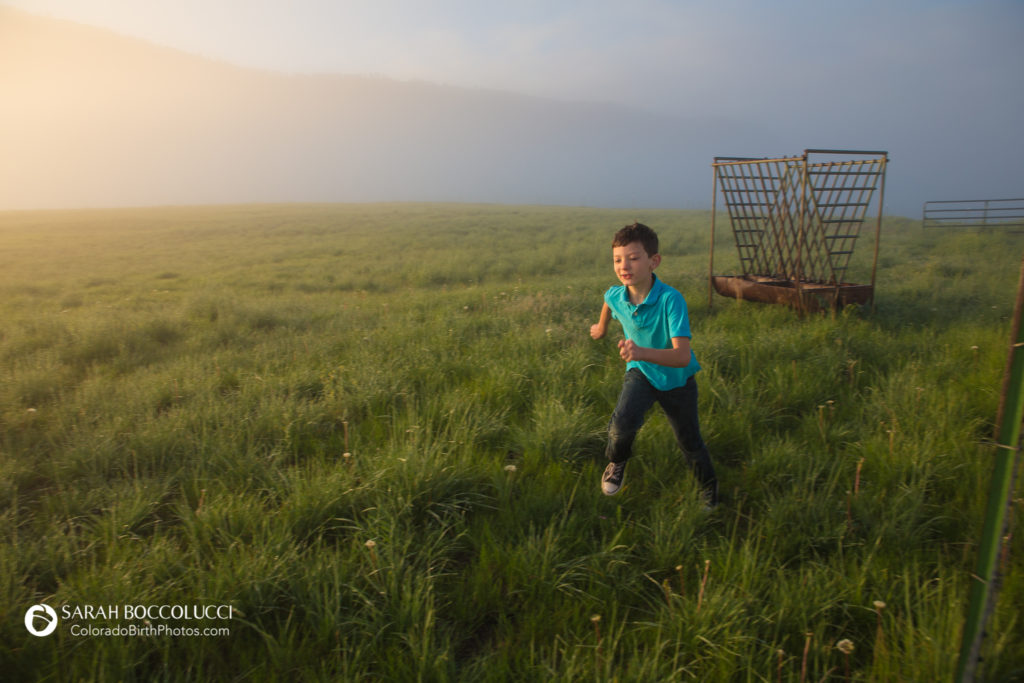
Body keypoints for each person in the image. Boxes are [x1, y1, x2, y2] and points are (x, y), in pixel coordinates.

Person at [590, 222, 718, 504]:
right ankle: (617, 461)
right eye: (618, 259)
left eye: (634, 258)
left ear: (653, 261)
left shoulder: (671, 300)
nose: (625, 265)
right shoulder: (616, 294)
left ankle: (709, 490)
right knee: (621, 424)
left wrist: (640, 352)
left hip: (677, 380)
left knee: (689, 441)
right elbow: (608, 302)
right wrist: (601, 328)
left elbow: (682, 356)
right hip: (641, 374)